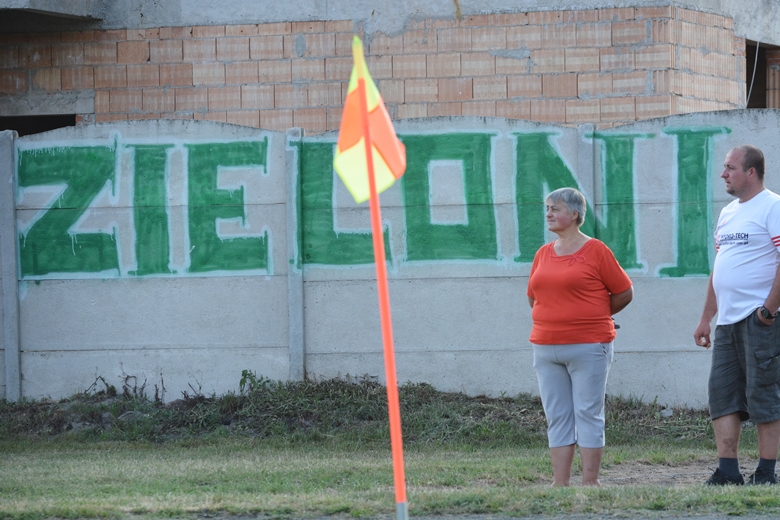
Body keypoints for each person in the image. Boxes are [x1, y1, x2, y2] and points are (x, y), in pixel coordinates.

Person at [527, 187, 633, 486]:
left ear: (575, 214)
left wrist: (594, 313)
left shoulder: (596, 250)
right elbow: (533, 296)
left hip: (589, 346)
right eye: (547, 208)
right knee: (557, 416)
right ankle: (559, 484)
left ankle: (590, 482)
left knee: (588, 413)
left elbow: (624, 292)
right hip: (546, 348)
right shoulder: (542, 254)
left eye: (555, 208)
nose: (549, 213)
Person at [693, 144, 780, 486]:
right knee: (722, 393)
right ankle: (728, 470)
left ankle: (766, 472)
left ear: (751, 172)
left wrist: (768, 310)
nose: (723, 173)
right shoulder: (728, 212)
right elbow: (720, 269)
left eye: (730, 167)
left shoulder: (773, 206)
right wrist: (706, 318)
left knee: (763, 393)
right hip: (727, 322)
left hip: (760, 320)